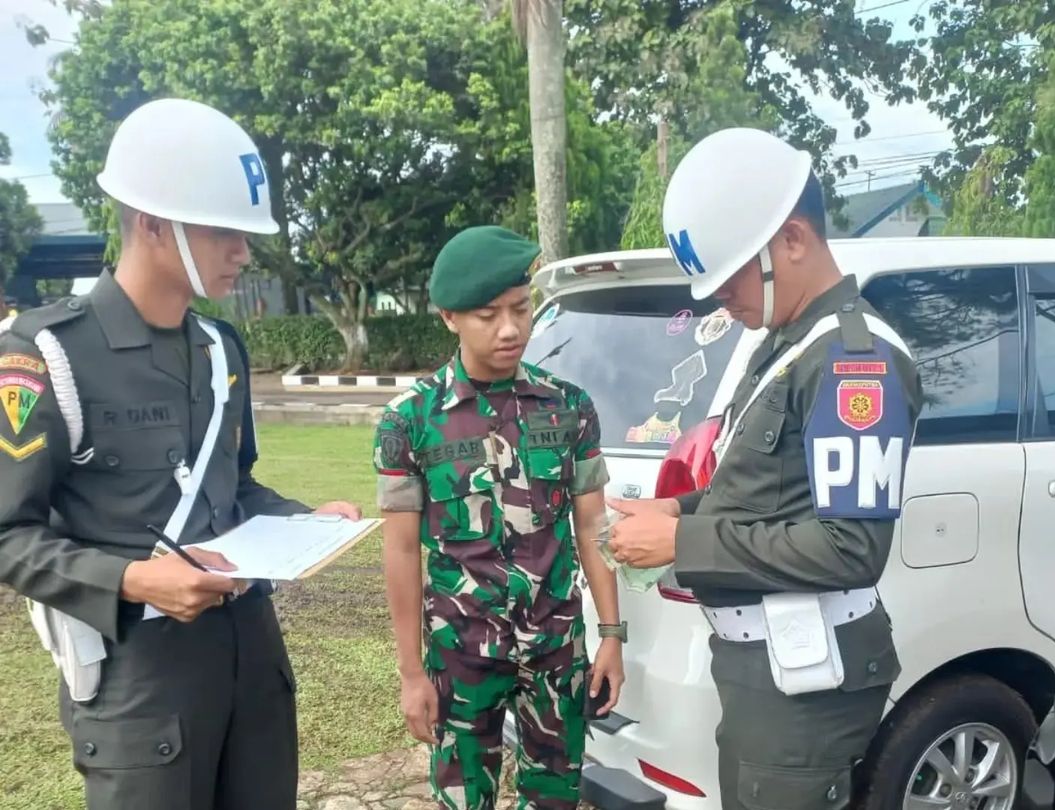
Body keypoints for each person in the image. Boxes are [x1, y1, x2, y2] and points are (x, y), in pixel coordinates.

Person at [0, 97, 360, 810]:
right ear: (152, 223)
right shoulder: (46, 354)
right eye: (225, 231)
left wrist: (304, 522)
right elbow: (10, 534)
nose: (243, 252)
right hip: (139, 684)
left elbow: (236, 487)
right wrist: (134, 579)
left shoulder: (221, 348)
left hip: (252, 665)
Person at [606, 128, 924, 809]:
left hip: (805, 683)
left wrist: (680, 540)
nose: (720, 297)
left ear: (794, 240)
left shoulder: (853, 362)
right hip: (769, 671)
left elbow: (850, 547)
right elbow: (761, 490)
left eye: (730, 277)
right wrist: (678, 509)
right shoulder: (786, 344)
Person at [374, 225, 625, 810]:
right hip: (461, 651)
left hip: (555, 648)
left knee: (555, 799)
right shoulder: (409, 421)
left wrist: (612, 636)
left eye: (521, 308)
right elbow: (401, 550)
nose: (511, 328)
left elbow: (593, 526)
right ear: (449, 318)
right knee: (465, 801)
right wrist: (411, 673)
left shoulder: (569, 407)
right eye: (488, 315)